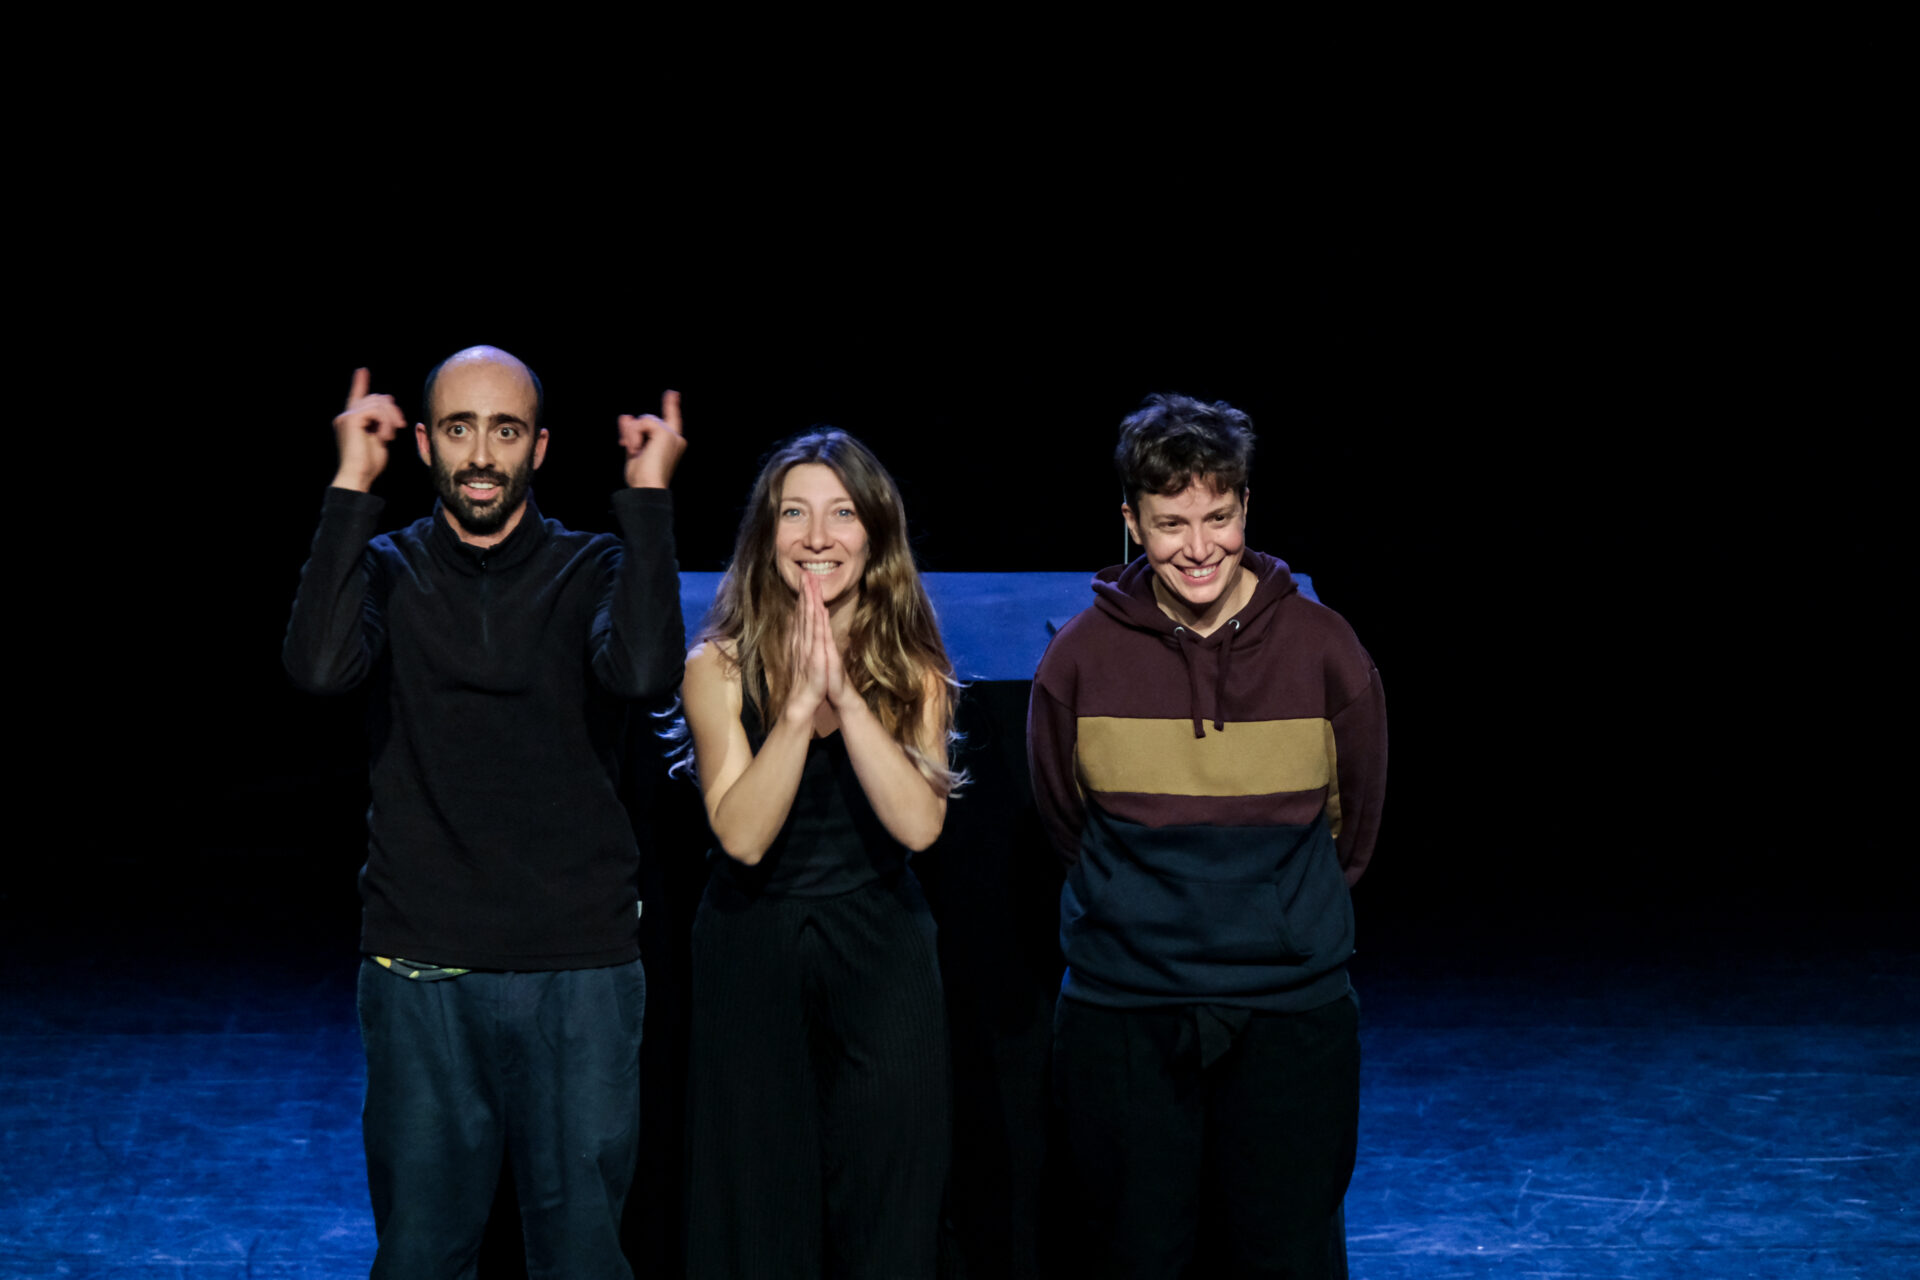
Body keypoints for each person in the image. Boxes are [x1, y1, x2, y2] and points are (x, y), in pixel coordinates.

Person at [282, 347, 687, 1280]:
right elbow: (319, 668)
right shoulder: (387, 568)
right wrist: (351, 484)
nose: (480, 455)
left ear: (537, 448)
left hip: (577, 970)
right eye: (458, 429)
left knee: (582, 1258)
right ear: (425, 444)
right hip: (422, 963)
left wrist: (649, 501)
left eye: (505, 431)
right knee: (422, 1255)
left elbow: (643, 673)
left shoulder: (594, 565)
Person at [1027, 393, 1386, 1279]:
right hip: (1127, 1007)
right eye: (1171, 523)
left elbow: (1354, 825)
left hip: (1289, 1008)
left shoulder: (1326, 648)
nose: (1199, 547)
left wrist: (1274, 912)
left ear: (1246, 507)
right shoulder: (1077, 659)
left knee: (1285, 1254)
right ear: (1131, 522)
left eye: (1218, 517)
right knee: (1134, 1256)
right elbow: (1067, 819)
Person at [678, 429, 959, 1278]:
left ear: (873, 534)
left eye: (840, 514)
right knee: (758, 1211)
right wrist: (799, 710)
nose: (816, 536)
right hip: (751, 940)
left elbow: (919, 826)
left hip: (881, 943)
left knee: (891, 1204)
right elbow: (742, 835)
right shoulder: (716, 667)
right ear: (767, 536)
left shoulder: (914, 668)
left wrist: (848, 696)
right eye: (793, 514)